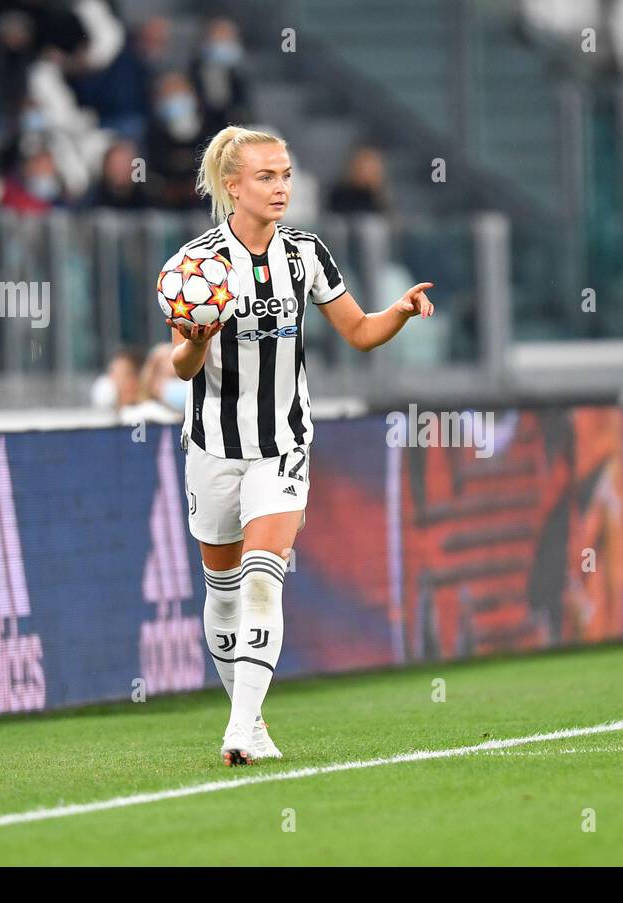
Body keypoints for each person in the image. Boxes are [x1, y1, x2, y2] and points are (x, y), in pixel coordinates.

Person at [162, 126, 434, 767]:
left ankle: (236, 728)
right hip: (212, 444)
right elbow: (181, 366)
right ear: (233, 187)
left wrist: (395, 311)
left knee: (264, 573)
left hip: (282, 441)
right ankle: (250, 720)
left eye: (285, 175)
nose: (281, 187)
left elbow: (360, 332)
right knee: (222, 586)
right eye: (266, 177)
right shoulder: (197, 265)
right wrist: (199, 337)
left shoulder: (307, 254)